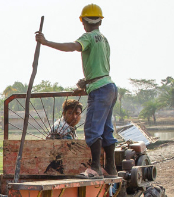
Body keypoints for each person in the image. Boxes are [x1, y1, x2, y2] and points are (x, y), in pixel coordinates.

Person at [36, 3, 119, 178]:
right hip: (109, 86)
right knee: (106, 129)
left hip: (99, 89)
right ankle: (111, 168)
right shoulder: (104, 40)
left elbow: (73, 47)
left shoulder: (88, 37)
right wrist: (86, 82)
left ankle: (95, 168)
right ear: (100, 22)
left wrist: (46, 42)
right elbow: (101, 67)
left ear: (83, 22)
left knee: (91, 129)